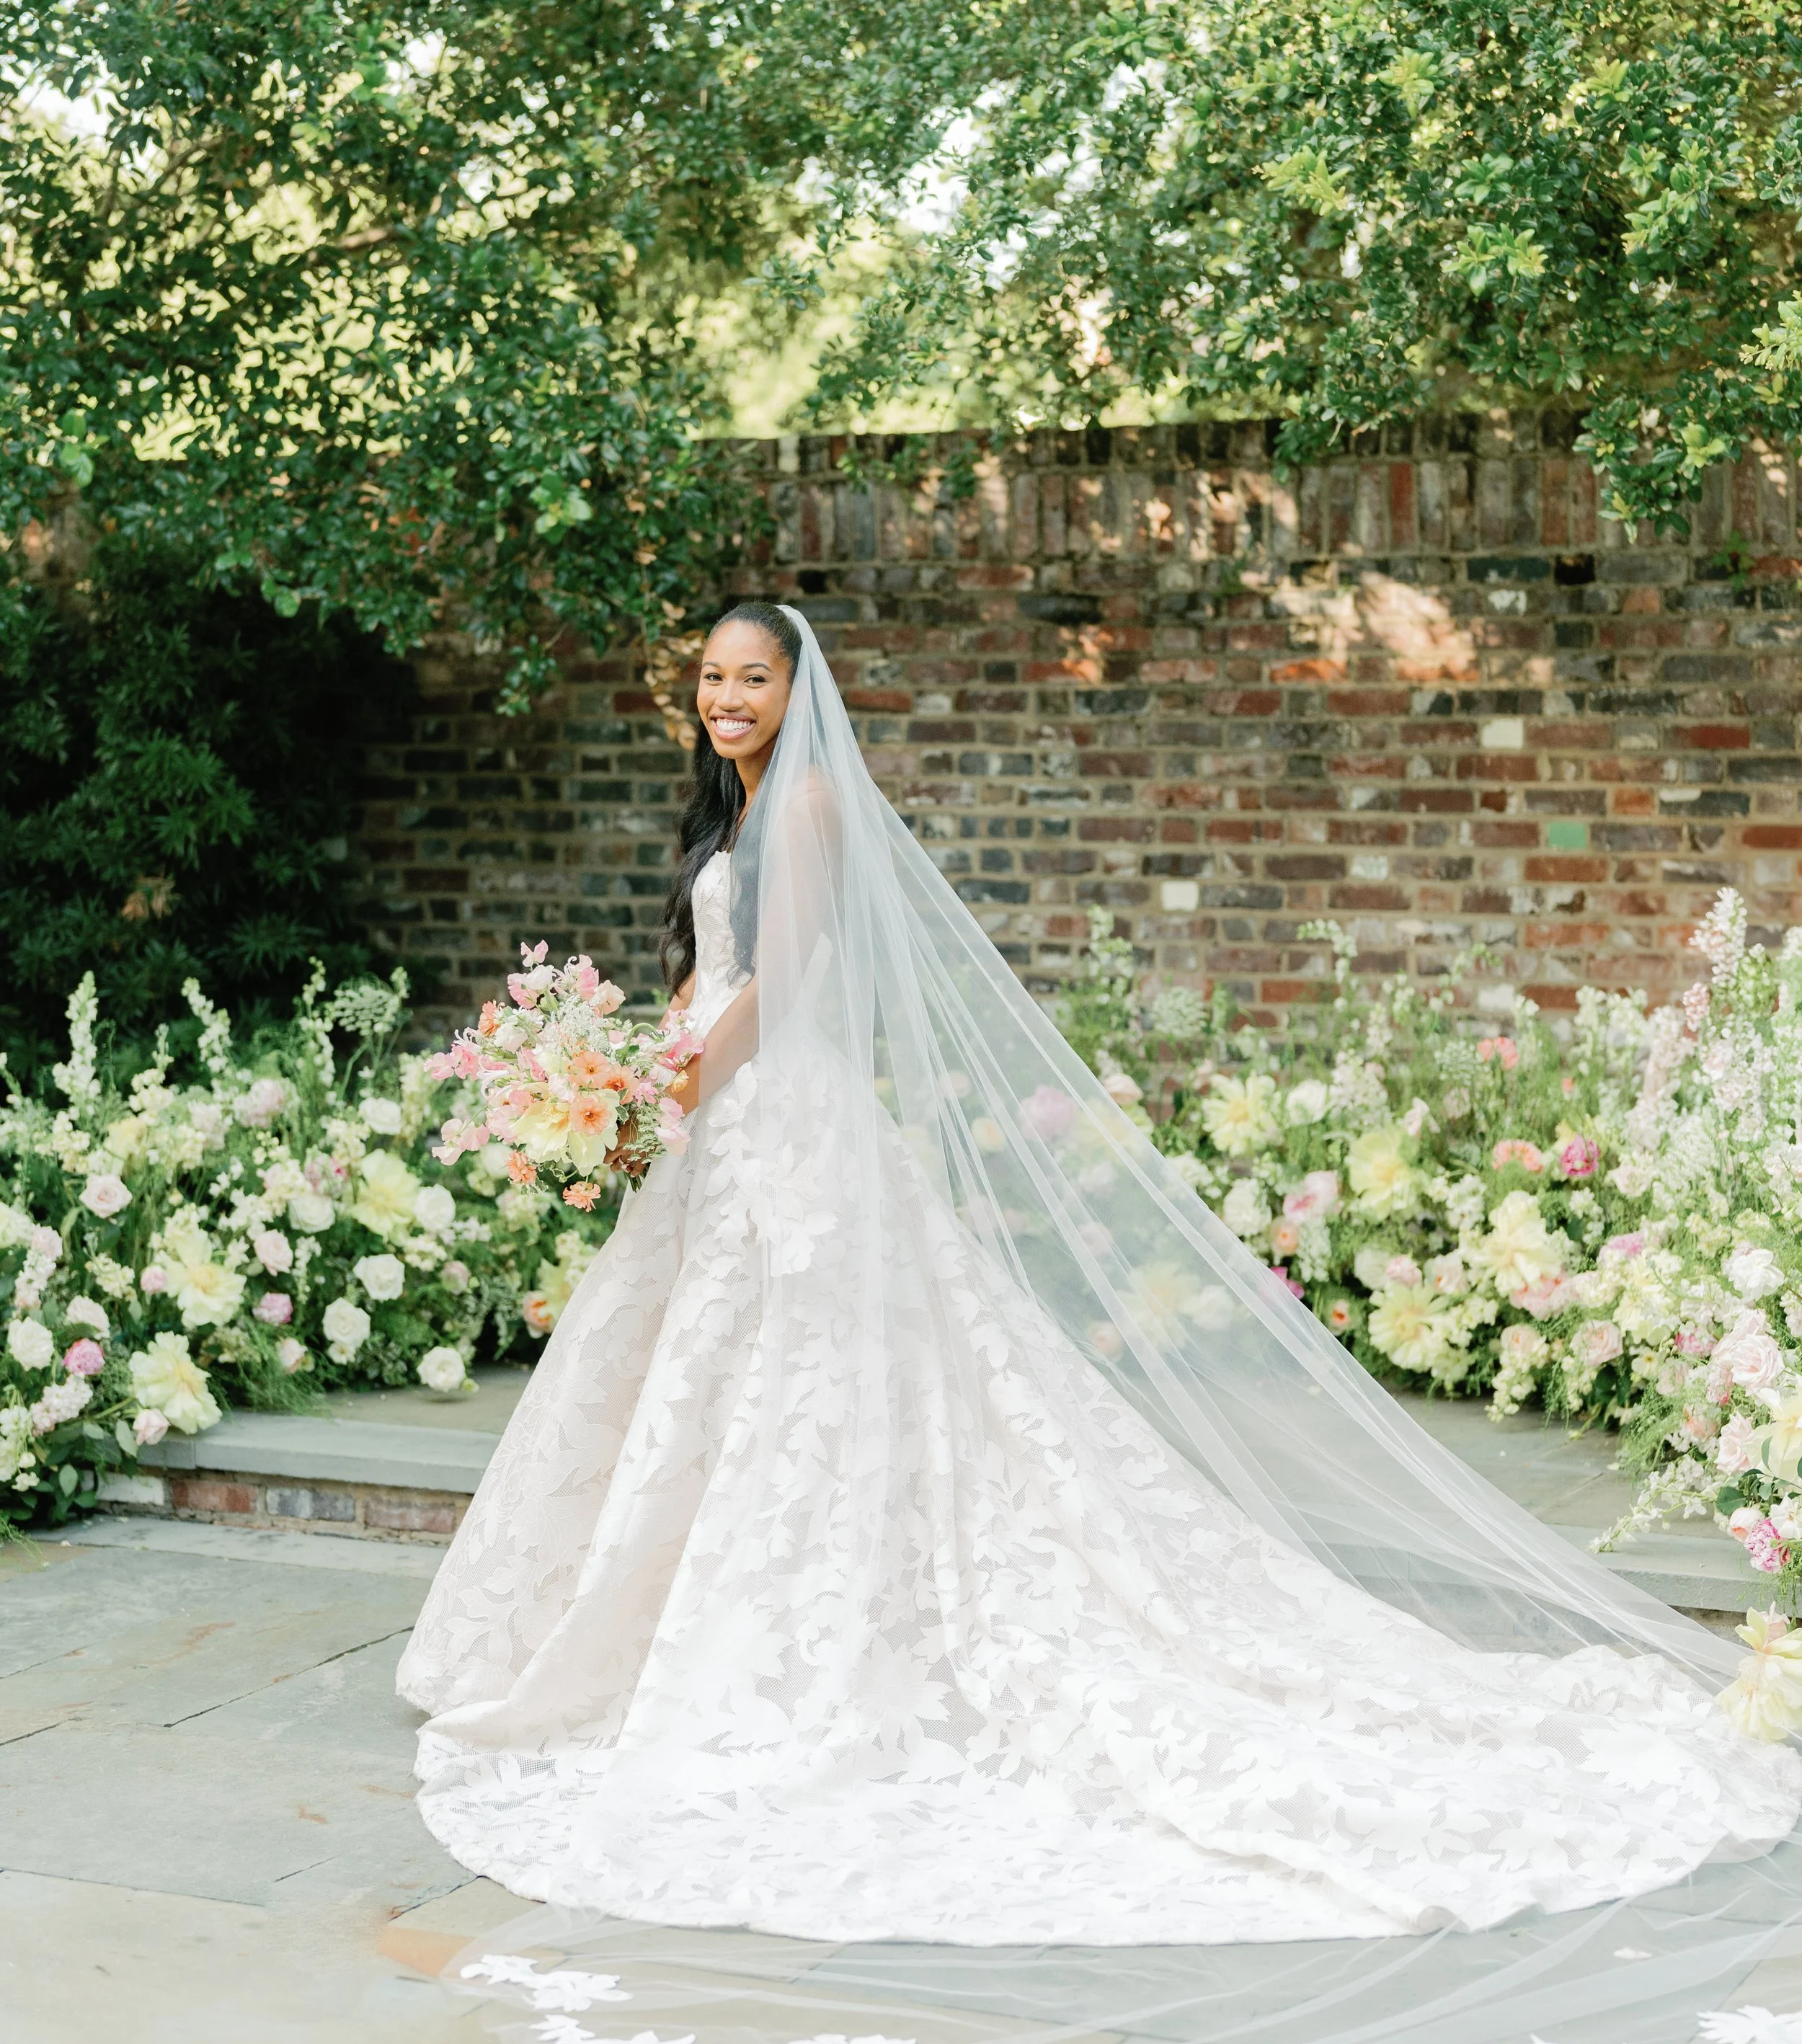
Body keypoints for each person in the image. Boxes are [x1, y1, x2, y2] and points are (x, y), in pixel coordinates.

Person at [398, 601, 1799, 1949]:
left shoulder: (810, 810)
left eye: (750, 678)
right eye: (710, 677)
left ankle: (783, 1655)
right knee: (707, 1379)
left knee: (797, 1383)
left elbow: (780, 986)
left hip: (777, 1121)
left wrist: (665, 1090)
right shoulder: (732, 811)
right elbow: (710, 982)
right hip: (718, 1122)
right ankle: (651, 1640)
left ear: (794, 690)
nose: (724, 698)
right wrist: (631, 1079)